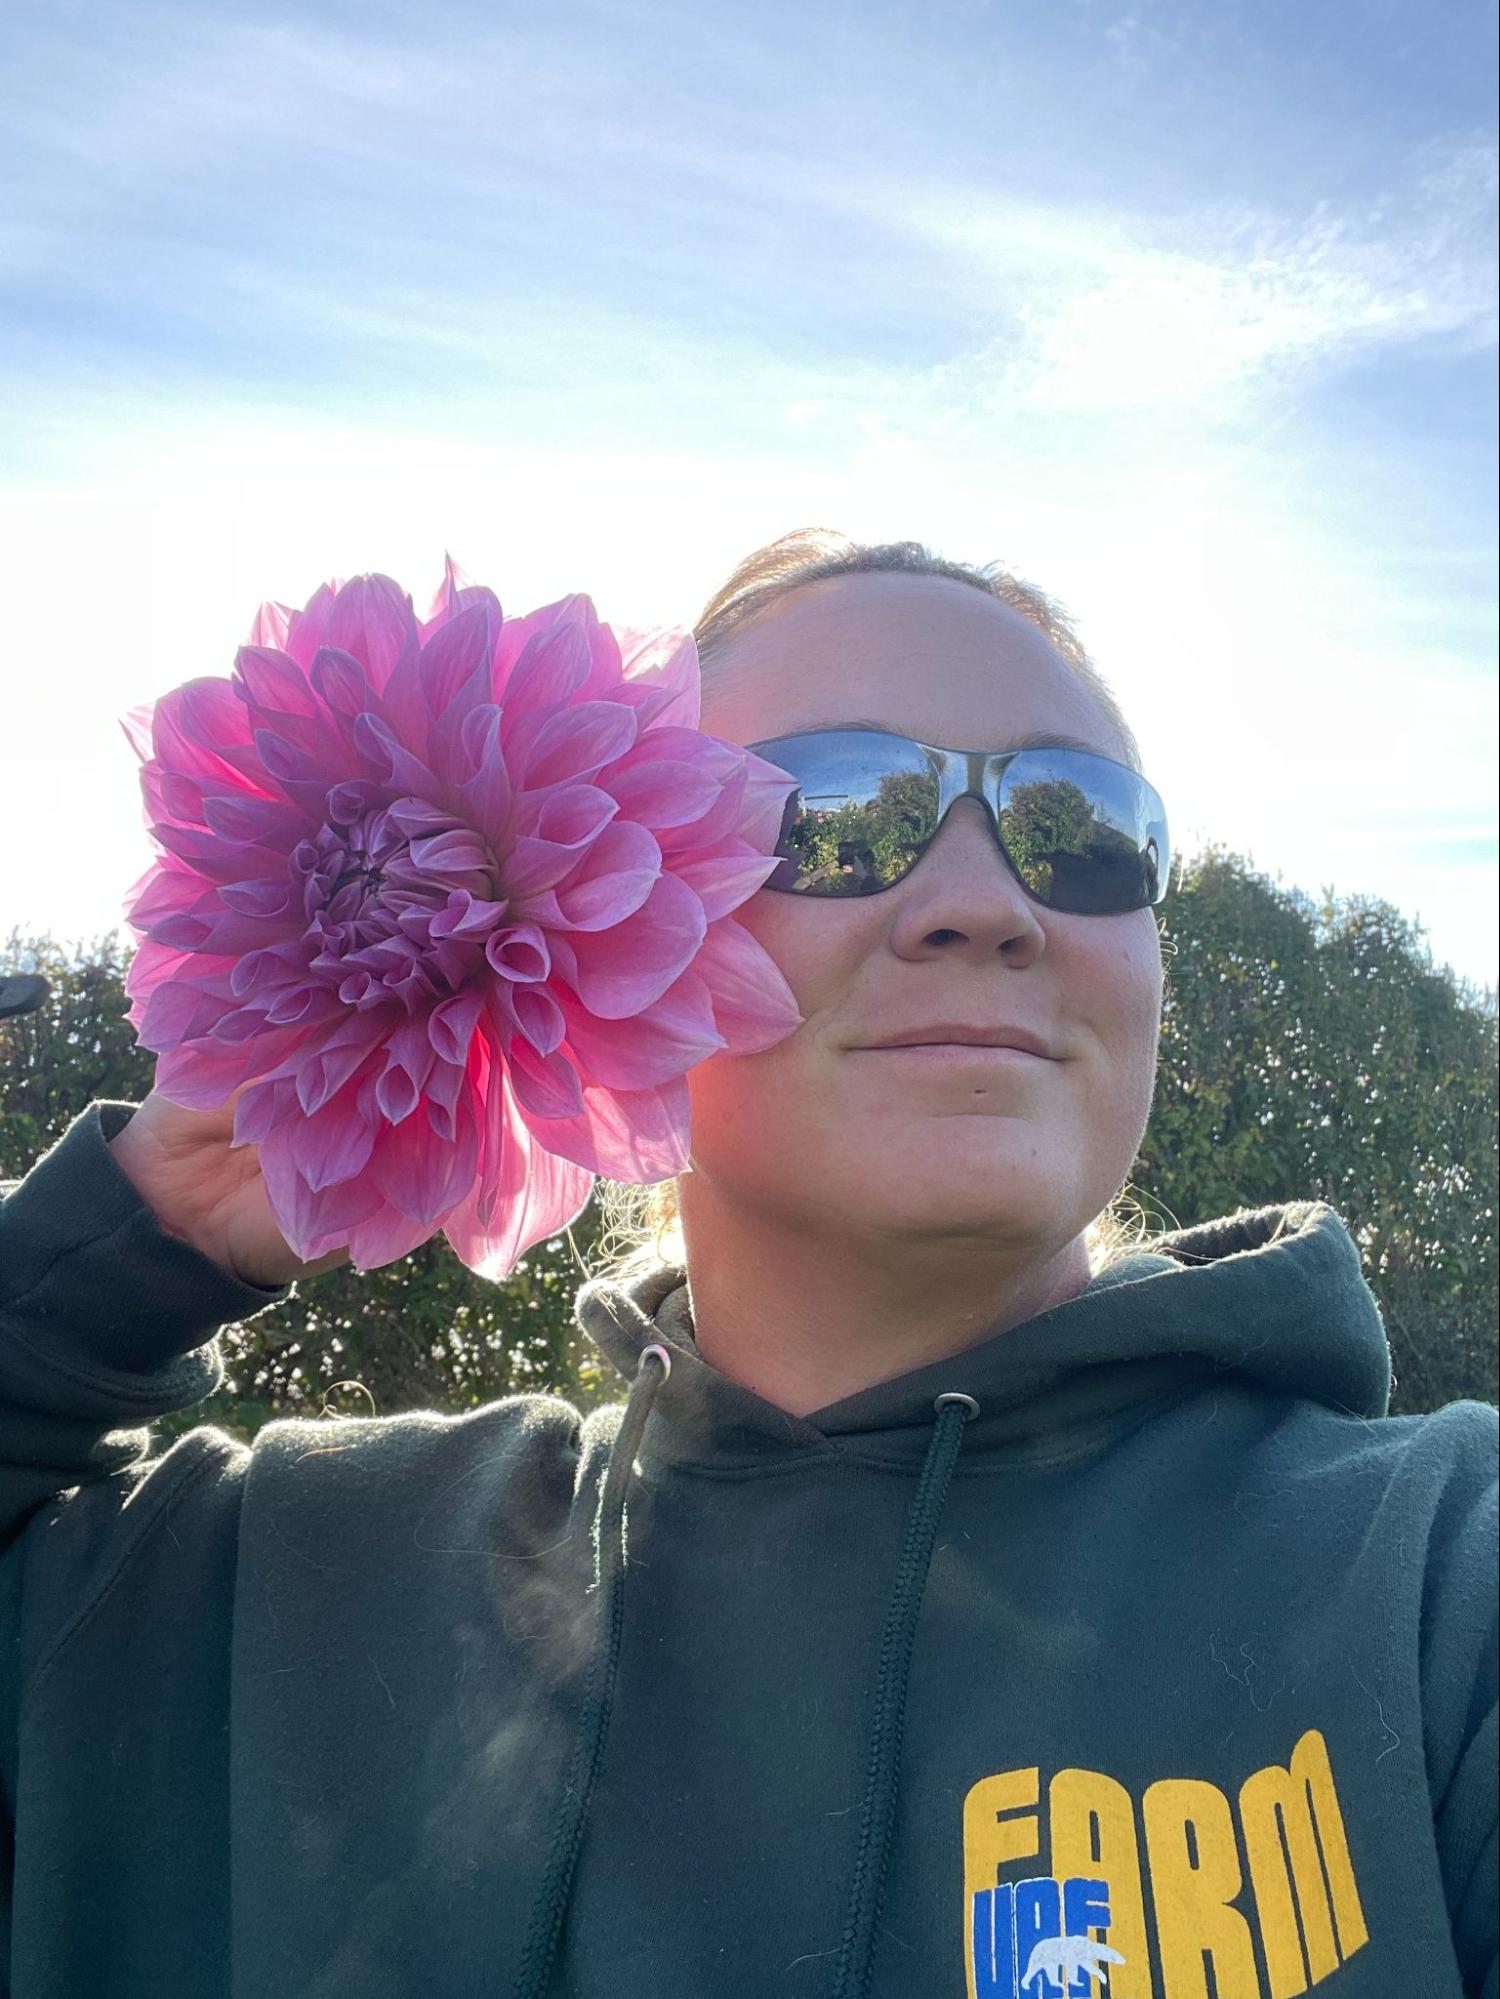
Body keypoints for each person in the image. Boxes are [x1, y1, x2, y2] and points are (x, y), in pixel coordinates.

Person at [1, 529, 1494, 1999]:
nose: (990, 905)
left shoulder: (1441, 1589)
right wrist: (146, 1230)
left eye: (1081, 826)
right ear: (589, 909)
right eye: (831, 811)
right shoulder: (257, 1584)